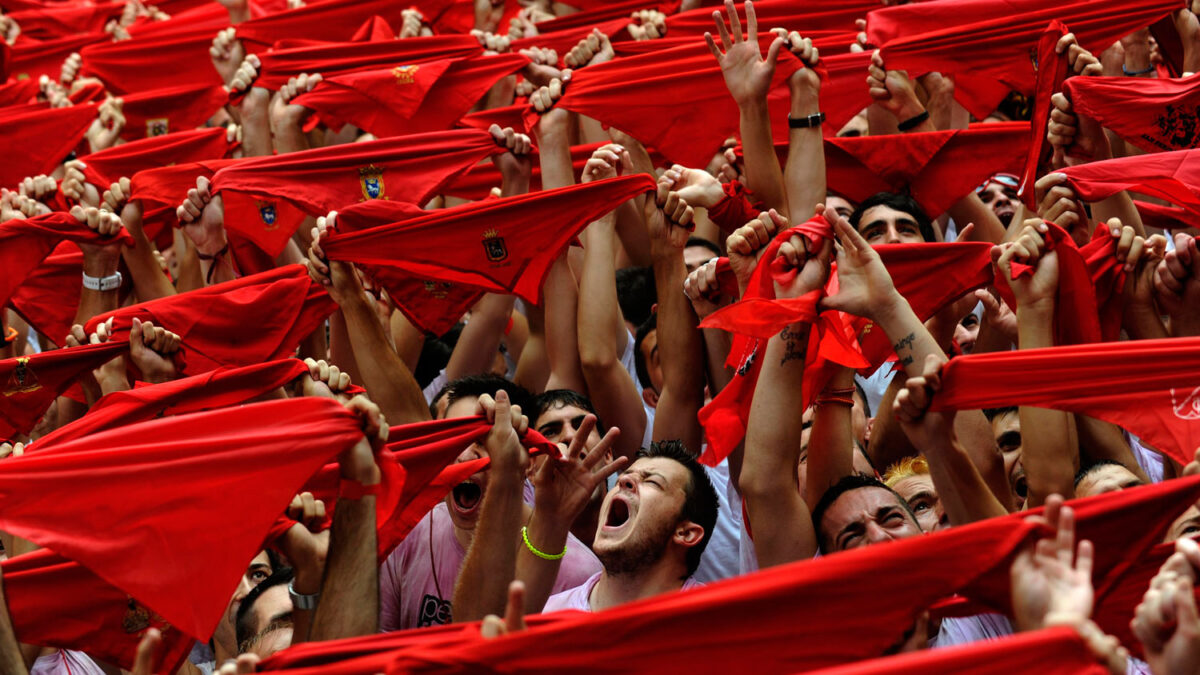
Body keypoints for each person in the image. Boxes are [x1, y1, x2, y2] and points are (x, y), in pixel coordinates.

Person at [542, 440, 719, 612]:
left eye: (652, 482)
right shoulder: (548, 616)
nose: (624, 480)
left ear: (686, 533)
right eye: (623, 475)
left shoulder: (715, 624)